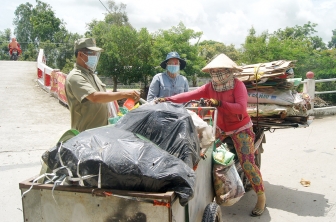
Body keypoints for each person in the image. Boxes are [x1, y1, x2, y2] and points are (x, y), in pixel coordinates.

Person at [156, 53, 266, 217]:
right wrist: (168, 99)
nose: (216, 74)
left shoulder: (238, 86)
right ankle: (214, 192)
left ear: (228, 71)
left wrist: (220, 103)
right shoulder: (210, 87)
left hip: (240, 127)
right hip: (220, 128)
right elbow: (189, 95)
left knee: (247, 163)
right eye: (213, 71)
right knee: (206, 156)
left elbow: (241, 108)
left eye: (219, 70)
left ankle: (261, 197)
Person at [65, 37, 140, 132]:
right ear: (80, 54)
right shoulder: (75, 76)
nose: (95, 57)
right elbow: (95, 97)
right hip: (84, 135)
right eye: (92, 53)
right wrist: (124, 94)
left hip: (100, 131)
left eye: (96, 54)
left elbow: (104, 96)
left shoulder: (92, 75)